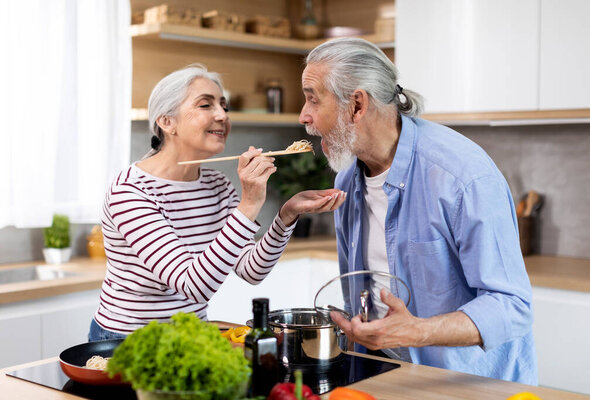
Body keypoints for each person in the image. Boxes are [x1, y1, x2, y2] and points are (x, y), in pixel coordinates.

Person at [299, 38, 537, 384]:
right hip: (388, 376)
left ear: (357, 105)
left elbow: (512, 307)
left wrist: (417, 331)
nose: (304, 116)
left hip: (470, 384)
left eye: (312, 98)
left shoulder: (461, 177)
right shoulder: (349, 180)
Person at [89, 64, 346, 340]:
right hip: (127, 340)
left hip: (192, 335)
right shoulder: (130, 191)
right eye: (205, 105)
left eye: (223, 105)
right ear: (167, 122)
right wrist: (248, 205)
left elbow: (251, 270)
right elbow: (191, 285)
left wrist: (287, 215)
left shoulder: (216, 184)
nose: (222, 115)